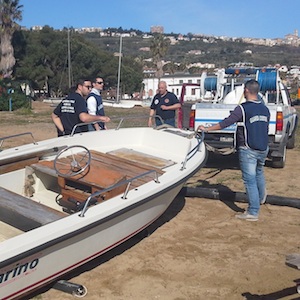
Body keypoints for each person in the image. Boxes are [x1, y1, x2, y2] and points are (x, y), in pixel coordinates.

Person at [198, 79, 270, 221]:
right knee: (259, 173)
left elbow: (225, 123)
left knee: (249, 180)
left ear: (246, 91)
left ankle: (253, 211)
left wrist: (206, 129)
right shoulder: (264, 108)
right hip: (263, 147)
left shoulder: (243, 108)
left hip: (248, 148)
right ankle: (261, 198)